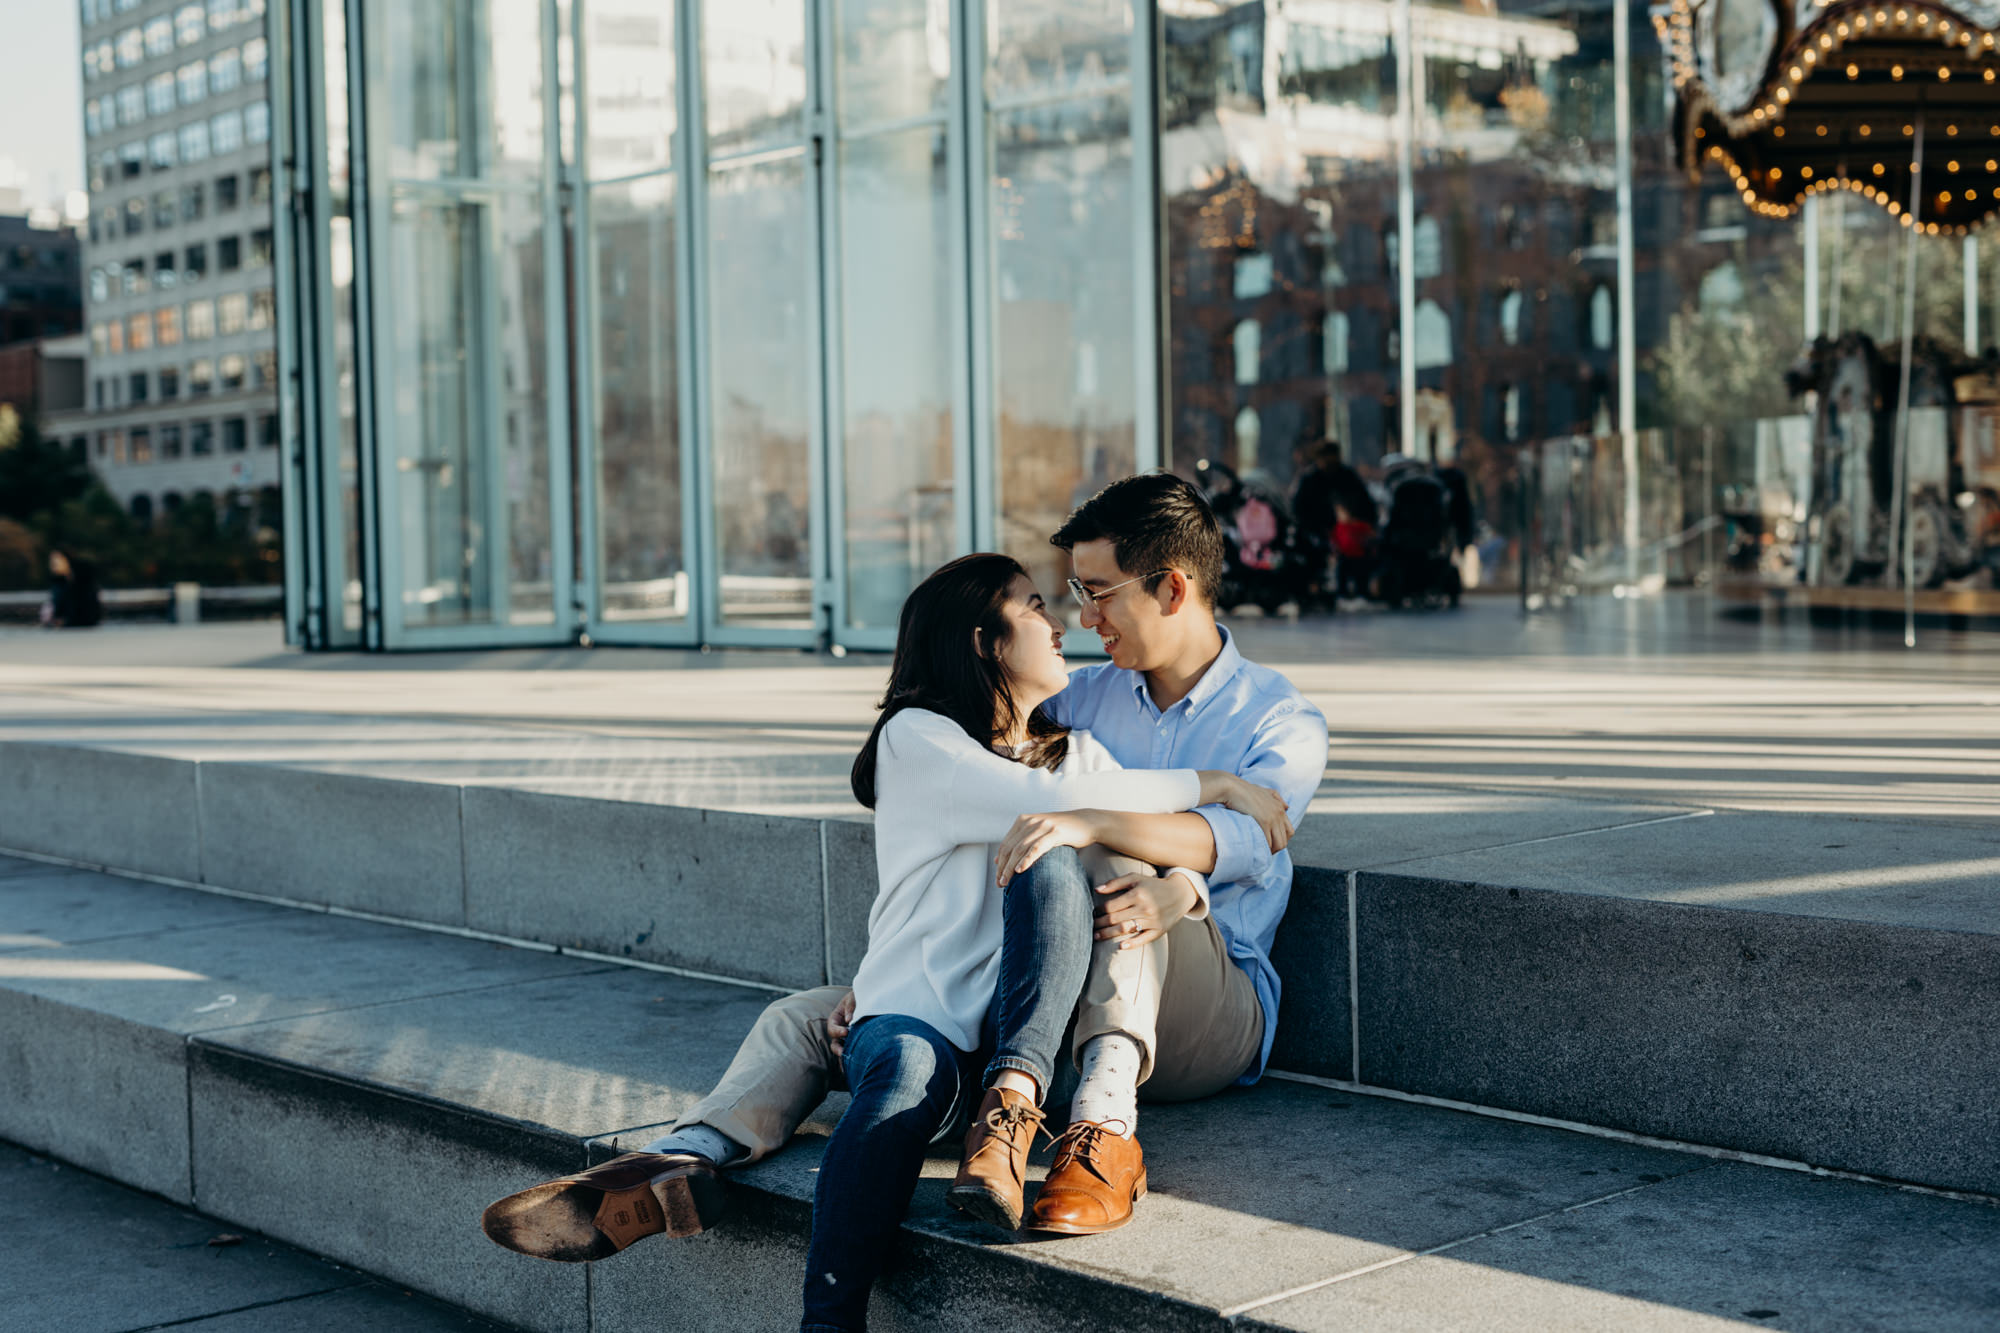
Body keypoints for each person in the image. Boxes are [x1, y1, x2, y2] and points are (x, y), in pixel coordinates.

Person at [482, 551, 1293, 1333]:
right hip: (923, 1027)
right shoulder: (919, 738)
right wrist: (1217, 782)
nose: (1059, 624)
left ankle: (696, 1152)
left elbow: (1122, 827)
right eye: (1035, 605)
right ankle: (809, 1301)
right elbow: (1055, 799)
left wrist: (1179, 879)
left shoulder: (1078, 751)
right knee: (895, 1059)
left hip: (994, 1029)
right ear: (984, 640)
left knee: (806, 1016)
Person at [41, 550, 102, 629]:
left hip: (83, 629)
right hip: (68, 629)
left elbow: (89, 611)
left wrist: (66, 621)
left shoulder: (84, 582)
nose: (53, 564)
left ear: (67, 560)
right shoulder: (58, 585)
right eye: (51, 561)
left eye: (56, 561)